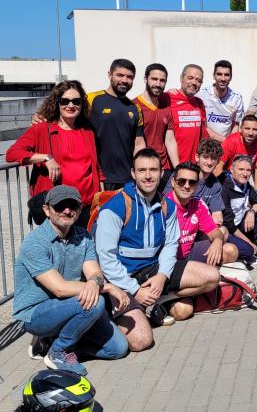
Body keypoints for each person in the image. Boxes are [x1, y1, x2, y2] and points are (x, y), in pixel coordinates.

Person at [94, 148, 220, 349]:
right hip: (122, 280)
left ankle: (156, 301)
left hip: (152, 272)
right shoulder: (115, 208)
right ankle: (113, 315)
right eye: (142, 170)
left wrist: (162, 276)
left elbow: (171, 245)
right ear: (133, 174)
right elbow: (106, 258)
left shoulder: (166, 206)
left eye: (153, 170)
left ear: (162, 174)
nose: (148, 175)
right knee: (142, 341)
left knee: (212, 276)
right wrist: (135, 290)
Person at [13, 185, 129, 375]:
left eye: (72, 206)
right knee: (95, 302)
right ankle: (58, 352)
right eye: (60, 206)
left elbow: (95, 273)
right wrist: (106, 287)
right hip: (37, 313)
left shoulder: (82, 236)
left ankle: (53, 344)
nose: (67, 211)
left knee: (117, 349)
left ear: (80, 208)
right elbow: (59, 289)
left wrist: (95, 282)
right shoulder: (35, 243)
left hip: (71, 305)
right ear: (47, 210)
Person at [7, 80, 100, 227]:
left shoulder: (88, 131)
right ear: (57, 103)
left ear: (82, 104)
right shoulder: (42, 129)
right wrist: (46, 158)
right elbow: (12, 153)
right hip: (57, 208)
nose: (71, 106)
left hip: (85, 206)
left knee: (83, 248)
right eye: (65, 101)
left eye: (76, 101)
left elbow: (94, 167)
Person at [86, 59, 147, 190]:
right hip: (99, 178)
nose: (124, 80)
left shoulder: (135, 108)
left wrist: (140, 171)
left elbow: (139, 143)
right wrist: (40, 117)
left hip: (128, 178)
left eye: (129, 77)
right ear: (109, 75)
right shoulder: (91, 100)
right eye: (120, 75)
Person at [166, 162, 238, 267]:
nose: (187, 186)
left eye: (192, 182)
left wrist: (217, 240)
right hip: (170, 259)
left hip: (190, 252)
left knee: (231, 250)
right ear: (173, 182)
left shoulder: (198, 204)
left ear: (197, 185)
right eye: (181, 181)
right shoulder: (164, 206)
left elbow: (214, 231)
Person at [221, 155, 257, 264]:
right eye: (241, 169)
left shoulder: (245, 185)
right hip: (227, 230)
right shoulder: (225, 188)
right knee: (248, 251)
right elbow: (228, 224)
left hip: (239, 225)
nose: (245, 174)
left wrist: (251, 212)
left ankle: (246, 244)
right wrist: (248, 243)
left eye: (248, 170)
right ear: (232, 169)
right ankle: (238, 248)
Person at [133, 63, 178, 188]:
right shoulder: (133, 107)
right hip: (146, 170)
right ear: (145, 79)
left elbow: (170, 141)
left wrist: (178, 169)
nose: (158, 84)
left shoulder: (166, 108)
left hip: (165, 170)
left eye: (162, 80)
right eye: (154, 79)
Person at [166, 64, 209, 166]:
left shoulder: (199, 103)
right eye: (190, 78)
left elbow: (204, 132)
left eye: (198, 80)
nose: (194, 82)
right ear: (181, 78)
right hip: (171, 166)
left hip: (193, 167)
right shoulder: (167, 98)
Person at [216, 114, 257, 189]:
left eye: (254, 129)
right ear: (241, 129)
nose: (250, 133)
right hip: (226, 177)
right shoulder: (231, 141)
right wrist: (224, 186)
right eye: (247, 128)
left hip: (244, 177)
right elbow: (218, 166)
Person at [200, 60, 244, 142]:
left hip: (225, 146)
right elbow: (202, 125)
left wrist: (229, 143)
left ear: (231, 77)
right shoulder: (202, 95)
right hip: (204, 144)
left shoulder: (237, 98)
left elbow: (236, 125)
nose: (223, 79)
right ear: (213, 76)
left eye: (226, 75)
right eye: (219, 74)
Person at [193, 138, 226, 228]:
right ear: (197, 157)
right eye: (206, 157)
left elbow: (217, 217)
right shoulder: (183, 175)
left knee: (222, 231)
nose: (209, 162)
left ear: (218, 162)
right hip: (180, 227)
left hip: (202, 228)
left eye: (214, 158)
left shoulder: (216, 185)